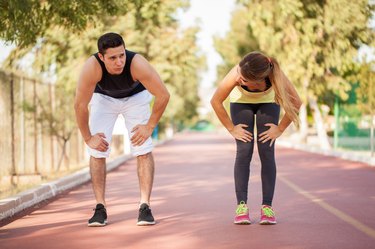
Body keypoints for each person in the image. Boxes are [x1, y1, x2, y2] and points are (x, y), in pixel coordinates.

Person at [74, 32, 170, 227]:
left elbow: (163, 95)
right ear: (101, 57)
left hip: (136, 98)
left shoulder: (137, 64)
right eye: (112, 58)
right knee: (97, 149)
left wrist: (149, 126)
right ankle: (100, 207)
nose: (119, 62)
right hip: (103, 99)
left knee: (142, 148)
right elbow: (80, 106)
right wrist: (87, 138)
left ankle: (145, 206)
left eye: (121, 55)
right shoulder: (91, 67)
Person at [211, 51, 301, 225]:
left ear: (261, 80)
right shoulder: (237, 73)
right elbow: (215, 101)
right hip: (241, 103)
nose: (240, 81)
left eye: (245, 81)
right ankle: (241, 207)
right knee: (244, 151)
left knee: (266, 151)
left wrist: (280, 129)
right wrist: (231, 128)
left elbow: (296, 102)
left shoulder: (275, 75)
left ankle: (267, 207)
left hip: (267, 103)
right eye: (240, 78)